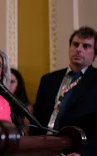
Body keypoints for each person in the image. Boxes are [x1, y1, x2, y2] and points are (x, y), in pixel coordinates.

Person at [31, 26, 97, 156]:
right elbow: (36, 117)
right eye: (75, 44)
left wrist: (84, 153)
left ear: (94, 54)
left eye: (86, 46)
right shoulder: (48, 79)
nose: (79, 49)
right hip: (42, 147)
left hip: (75, 149)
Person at [9, 68, 33, 135]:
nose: (7, 85)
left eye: (11, 82)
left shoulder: (26, 106)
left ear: (18, 84)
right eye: (5, 81)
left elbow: (26, 133)